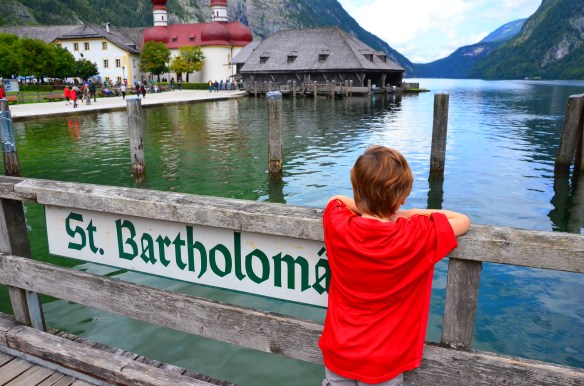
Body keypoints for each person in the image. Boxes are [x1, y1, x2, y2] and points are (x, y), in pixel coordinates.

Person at [319, 145, 470, 386]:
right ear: (400, 199)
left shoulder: (339, 225)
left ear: (357, 190)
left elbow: (335, 200)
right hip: (384, 361)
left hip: (339, 350)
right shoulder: (413, 236)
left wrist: (368, 206)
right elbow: (462, 221)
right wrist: (407, 213)